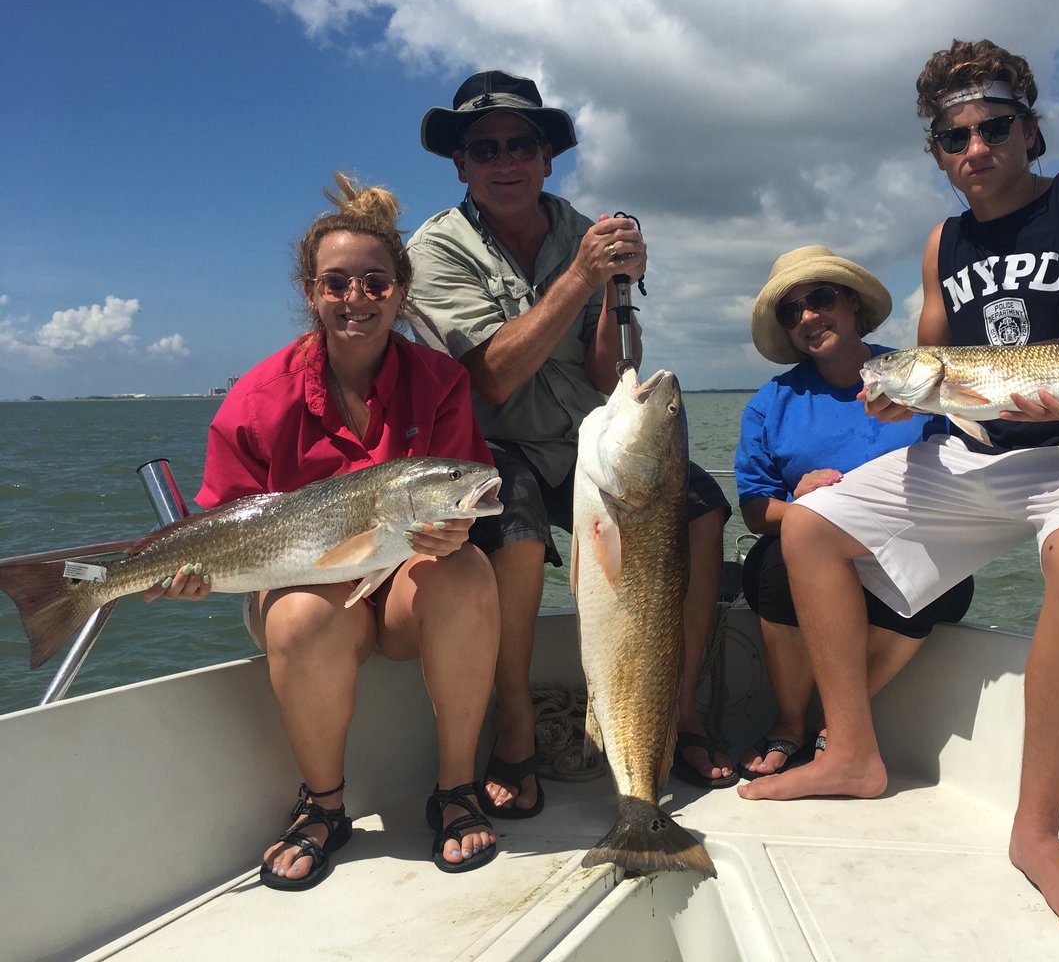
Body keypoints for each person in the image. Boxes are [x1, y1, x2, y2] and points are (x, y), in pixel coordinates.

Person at [740, 39, 1059, 936]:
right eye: (952, 136)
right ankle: (851, 751)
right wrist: (899, 403)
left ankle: (1036, 830)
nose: (974, 148)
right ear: (934, 150)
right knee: (809, 527)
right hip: (980, 452)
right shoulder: (943, 242)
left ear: (1029, 128)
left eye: (993, 126)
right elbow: (933, 369)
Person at [144, 173, 502, 887]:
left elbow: (465, 485)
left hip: (396, 587)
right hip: (301, 585)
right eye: (336, 284)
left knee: (467, 575)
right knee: (303, 615)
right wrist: (188, 573)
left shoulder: (437, 381)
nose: (356, 299)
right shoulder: (256, 397)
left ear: (400, 291)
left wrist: (452, 536)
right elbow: (225, 523)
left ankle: (456, 787)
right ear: (310, 293)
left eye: (374, 282)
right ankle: (324, 805)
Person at [407, 70, 736, 814]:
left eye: (519, 144)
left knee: (704, 506)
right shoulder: (436, 250)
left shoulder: (578, 229)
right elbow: (490, 377)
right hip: (497, 445)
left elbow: (609, 368)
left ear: (546, 156)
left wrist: (616, 291)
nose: (503, 160)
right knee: (513, 525)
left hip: (591, 440)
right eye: (483, 147)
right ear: (459, 163)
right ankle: (516, 720)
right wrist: (581, 276)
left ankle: (673, 707)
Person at [734, 246, 974, 777]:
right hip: (813, 554)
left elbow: (969, 460)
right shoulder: (771, 403)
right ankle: (790, 722)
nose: (808, 317)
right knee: (772, 571)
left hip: (909, 538)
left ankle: (839, 724)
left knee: (942, 583)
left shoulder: (920, 374)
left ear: (853, 304)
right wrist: (801, 503)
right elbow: (755, 510)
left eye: (820, 298)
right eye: (791, 312)